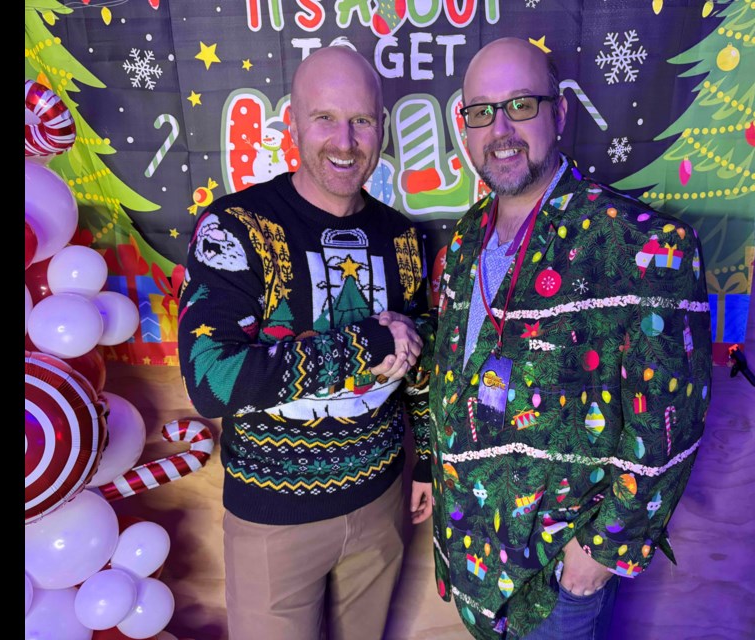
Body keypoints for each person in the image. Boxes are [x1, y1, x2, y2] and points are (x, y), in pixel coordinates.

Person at [422, 37, 712, 639]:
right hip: (470, 555)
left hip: (555, 579)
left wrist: (602, 551)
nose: (500, 129)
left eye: (521, 105)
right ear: (464, 128)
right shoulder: (460, 244)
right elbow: (455, 376)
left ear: (560, 112)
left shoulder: (645, 246)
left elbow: (671, 424)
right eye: (481, 112)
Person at [177, 46, 432, 640]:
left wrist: (430, 465)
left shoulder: (403, 239)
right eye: (325, 119)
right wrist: (363, 344)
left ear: (382, 128)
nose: (345, 142)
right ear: (292, 122)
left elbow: (419, 364)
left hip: (380, 506)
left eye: (362, 121)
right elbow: (211, 381)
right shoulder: (237, 226)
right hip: (274, 521)